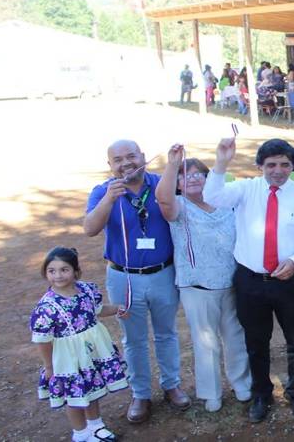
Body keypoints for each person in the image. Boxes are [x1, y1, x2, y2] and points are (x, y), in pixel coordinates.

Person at [203, 138, 294, 422]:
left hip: (290, 280)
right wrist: (221, 162)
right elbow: (212, 196)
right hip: (251, 281)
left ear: (293, 166)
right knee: (256, 340)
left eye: (285, 164)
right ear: (260, 166)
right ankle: (261, 393)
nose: (278, 171)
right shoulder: (245, 189)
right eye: (271, 165)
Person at [83, 140, 188, 424]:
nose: (126, 163)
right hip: (123, 277)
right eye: (118, 159)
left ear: (143, 156)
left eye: (131, 156)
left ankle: (171, 385)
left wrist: (174, 163)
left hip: (163, 273)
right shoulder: (103, 191)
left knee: (167, 333)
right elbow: (90, 229)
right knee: (134, 339)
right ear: (110, 165)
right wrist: (108, 200)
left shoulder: (161, 183)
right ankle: (140, 393)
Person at [155, 147, 252, 412]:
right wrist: (173, 165)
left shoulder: (225, 201)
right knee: (205, 341)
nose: (194, 179)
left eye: (200, 174)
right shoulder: (178, 207)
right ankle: (211, 393)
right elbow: (163, 199)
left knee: (235, 336)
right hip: (197, 285)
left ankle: (242, 384)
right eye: (186, 176)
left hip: (232, 282)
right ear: (178, 184)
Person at [31, 247, 127, 442]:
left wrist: (117, 309)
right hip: (67, 359)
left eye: (64, 269)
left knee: (92, 390)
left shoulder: (87, 290)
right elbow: (42, 340)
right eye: (52, 270)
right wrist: (49, 367)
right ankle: (81, 433)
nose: (58, 275)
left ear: (76, 271)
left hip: (91, 353)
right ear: (45, 273)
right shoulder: (46, 307)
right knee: (74, 398)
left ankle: (96, 425)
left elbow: (97, 311)